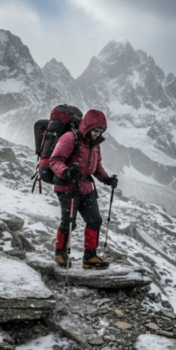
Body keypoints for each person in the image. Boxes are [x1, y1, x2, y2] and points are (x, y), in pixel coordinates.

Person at [48, 109, 118, 269]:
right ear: (87, 127)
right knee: (69, 222)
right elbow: (55, 160)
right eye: (95, 130)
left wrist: (106, 179)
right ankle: (60, 253)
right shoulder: (70, 137)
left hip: (86, 187)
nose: (97, 134)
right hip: (68, 186)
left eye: (100, 131)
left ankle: (89, 257)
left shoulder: (94, 144)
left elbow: (96, 166)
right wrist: (66, 171)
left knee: (95, 220)